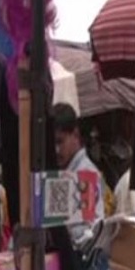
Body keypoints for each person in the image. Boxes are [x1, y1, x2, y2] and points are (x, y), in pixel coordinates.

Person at [53, 102, 105, 246]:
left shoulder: (85, 175)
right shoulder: (65, 172)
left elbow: (87, 231)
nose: (56, 150)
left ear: (75, 135)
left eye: (60, 141)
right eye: (53, 144)